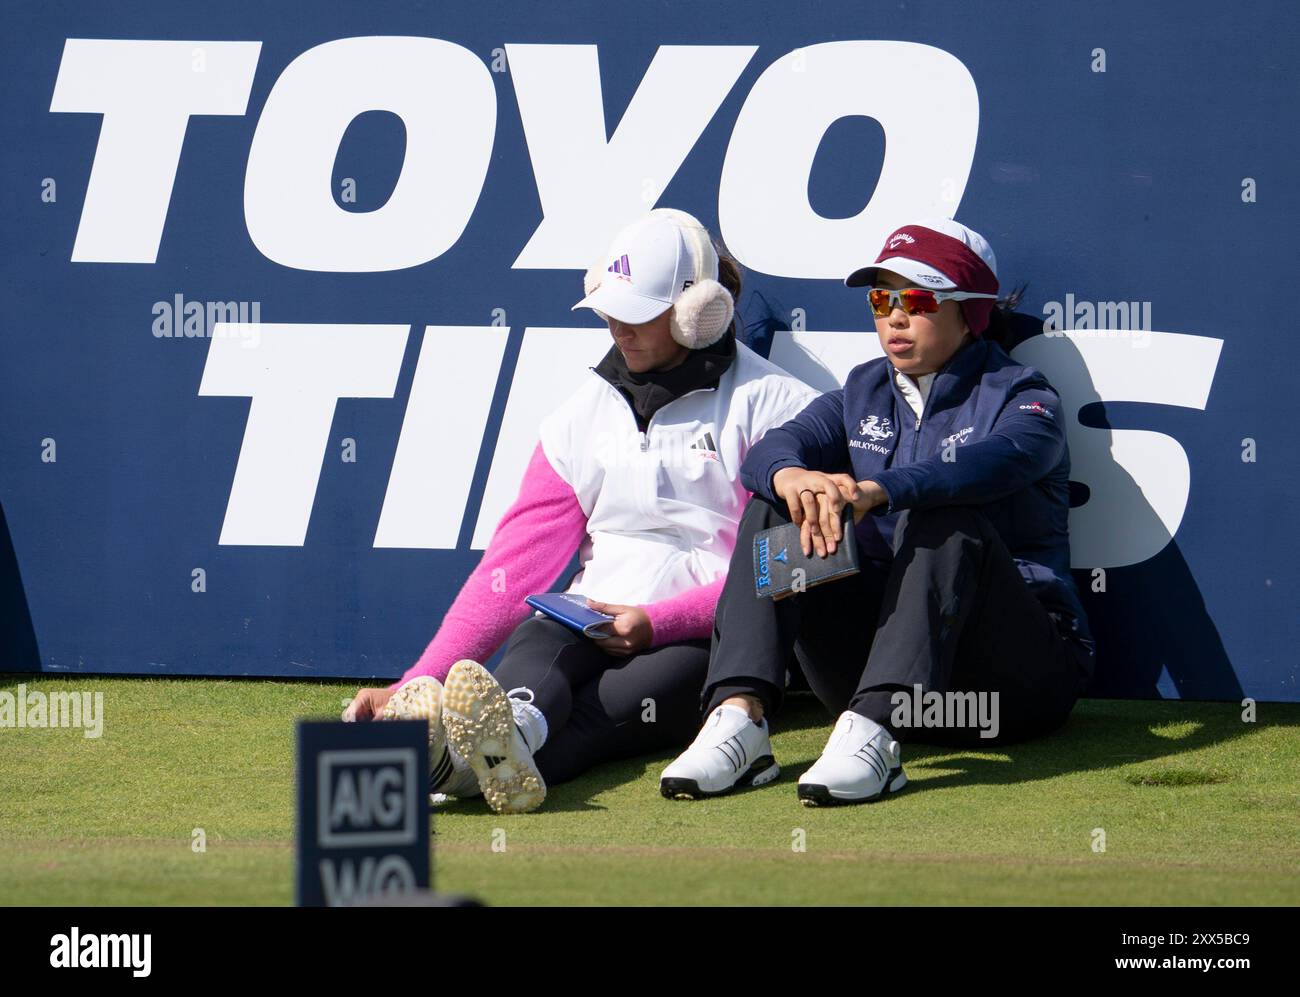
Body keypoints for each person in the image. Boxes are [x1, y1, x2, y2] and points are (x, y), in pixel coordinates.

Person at [343, 208, 818, 813]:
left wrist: (657, 622)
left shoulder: (777, 407)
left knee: (607, 711)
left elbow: (783, 563)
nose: (619, 328)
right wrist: (419, 680)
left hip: (700, 635)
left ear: (697, 311)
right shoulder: (579, 414)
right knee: (534, 659)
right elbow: (514, 566)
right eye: (611, 311)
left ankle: (461, 769)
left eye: (638, 314)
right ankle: (503, 735)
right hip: (582, 614)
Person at [660, 218, 1096, 806]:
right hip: (870, 675)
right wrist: (795, 478)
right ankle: (740, 717)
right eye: (881, 298)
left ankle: (877, 735)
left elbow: (990, 466)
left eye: (916, 300)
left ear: (971, 312)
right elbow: (770, 451)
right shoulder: (862, 390)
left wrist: (881, 490)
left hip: (1010, 689)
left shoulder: (1026, 397)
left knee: (943, 514)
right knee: (777, 506)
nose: (893, 316)